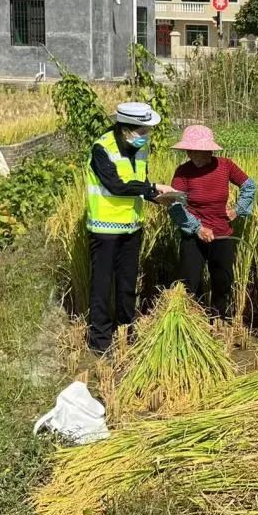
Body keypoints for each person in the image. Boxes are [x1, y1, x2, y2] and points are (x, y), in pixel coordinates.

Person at [85, 102, 179, 354]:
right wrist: (151, 189)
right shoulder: (101, 149)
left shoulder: (141, 148)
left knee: (127, 282)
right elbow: (116, 186)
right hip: (104, 230)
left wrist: (157, 197)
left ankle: (126, 330)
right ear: (126, 129)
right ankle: (100, 341)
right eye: (143, 130)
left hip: (132, 227)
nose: (146, 135)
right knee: (102, 285)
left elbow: (140, 183)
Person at [168, 124, 257, 318]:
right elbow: (175, 205)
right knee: (189, 282)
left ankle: (219, 320)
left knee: (222, 281)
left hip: (221, 233)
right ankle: (192, 320)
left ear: (210, 150)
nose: (196, 156)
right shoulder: (183, 172)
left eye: (200, 152)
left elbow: (249, 186)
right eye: (191, 151)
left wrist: (238, 210)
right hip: (193, 235)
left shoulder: (225, 166)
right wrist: (197, 228)